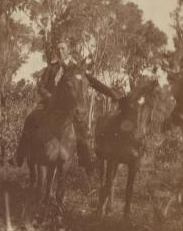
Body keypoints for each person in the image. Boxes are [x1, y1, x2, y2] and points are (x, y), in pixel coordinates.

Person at [11, 40, 120, 173]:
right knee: (31, 118)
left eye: (63, 49)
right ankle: (19, 155)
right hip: (49, 104)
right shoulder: (51, 68)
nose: (60, 52)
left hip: (69, 107)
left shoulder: (76, 68)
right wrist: (49, 96)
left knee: (81, 129)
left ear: (69, 51)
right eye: (58, 49)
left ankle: (85, 161)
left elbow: (94, 83)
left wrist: (112, 94)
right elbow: (41, 87)